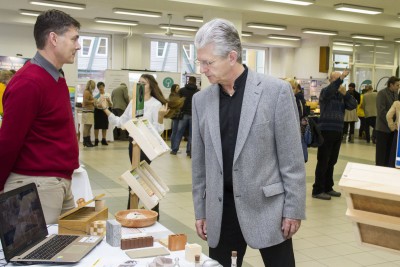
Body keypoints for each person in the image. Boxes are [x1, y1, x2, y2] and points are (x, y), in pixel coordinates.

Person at [191, 18, 306, 267]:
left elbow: (292, 160)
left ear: (232, 57)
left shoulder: (275, 92)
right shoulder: (201, 101)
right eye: (200, 62)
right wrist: (201, 210)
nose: (202, 69)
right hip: (221, 211)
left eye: (208, 62)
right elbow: (199, 165)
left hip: (269, 209)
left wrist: (293, 210)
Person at [0, 9, 81, 224]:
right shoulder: (29, 82)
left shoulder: (56, 78)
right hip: (35, 186)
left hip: (57, 183)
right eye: (74, 39)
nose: (78, 46)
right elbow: (8, 143)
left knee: (66, 250)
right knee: (33, 256)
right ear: (53, 39)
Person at [100, 74, 169, 214]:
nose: (140, 85)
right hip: (133, 145)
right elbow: (121, 122)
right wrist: (105, 109)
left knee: (139, 177)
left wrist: (161, 118)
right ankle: (146, 210)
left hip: (146, 146)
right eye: (139, 82)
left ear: (151, 86)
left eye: (144, 83)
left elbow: (156, 132)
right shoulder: (133, 102)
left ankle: (144, 210)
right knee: (137, 177)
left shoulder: (155, 104)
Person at [312, 72, 357, 200]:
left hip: (338, 131)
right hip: (326, 130)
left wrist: (345, 93)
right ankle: (317, 189)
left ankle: (328, 187)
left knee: (332, 161)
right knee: (323, 161)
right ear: (330, 80)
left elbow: (353, 105)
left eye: (340, 79)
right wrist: (341, 79)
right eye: (336, 79)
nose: (339, 82)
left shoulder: (342, 95)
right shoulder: (325, 92)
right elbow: (330, 90)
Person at [170, 76, 199, 157]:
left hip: (183, 114)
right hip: (193, 115)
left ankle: (174, 150)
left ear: (188, 81)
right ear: (195, 82)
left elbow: (177, 102)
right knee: (192, 134)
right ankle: (189, 151)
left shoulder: (182, 90)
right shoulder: (197, 91)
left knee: (179, 132)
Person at [375, 76, 400, 167]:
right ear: (391, 85)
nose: (398, 87)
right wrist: (391, 123)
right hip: (383, 128)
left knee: (389, 153)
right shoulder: (382, 94)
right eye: (397, 85)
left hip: (393, 129)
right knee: (381, 154)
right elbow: (381, 112)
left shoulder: (396, 94)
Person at [94, 81, 112, 146]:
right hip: (98, 112)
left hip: (105, 111)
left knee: (104, 126)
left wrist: (109, 101)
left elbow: (111, 105)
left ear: (104, 87)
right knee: (97, 127)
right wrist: (97, 105)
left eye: (102, 87)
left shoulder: (108, 95)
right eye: (99, 87)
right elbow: (95, 105)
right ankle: (96, 140)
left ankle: (103, 139)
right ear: (98, 88)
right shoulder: (96, 96)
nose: (101, 88)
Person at [386, 99, 400, 167]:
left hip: (398, 132)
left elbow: (388, 115)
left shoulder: (397, 103)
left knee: (394, 153)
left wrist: (392, 127)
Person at [82, 79, 96, 147]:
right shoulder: (87, 92)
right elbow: (85, 102)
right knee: (87, 127)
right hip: (87, 111)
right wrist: (93, 101)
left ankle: (88, 141)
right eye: (93, 87)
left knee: (89, 126)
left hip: (90, 111)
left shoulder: (89, 92)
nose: (93, 88)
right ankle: (85, 141)